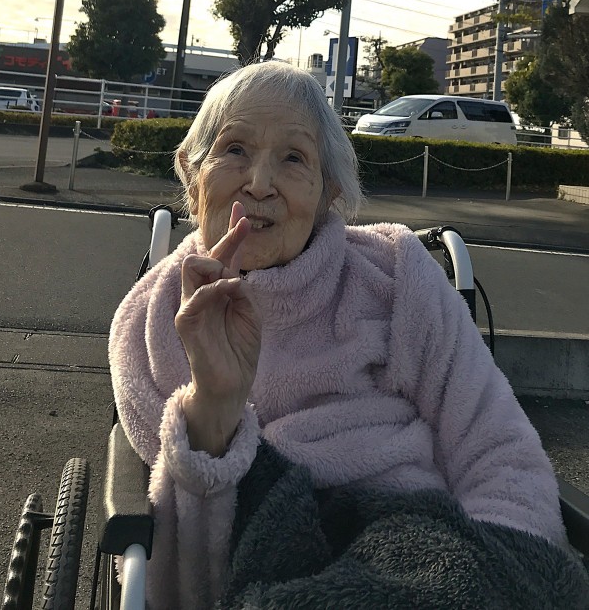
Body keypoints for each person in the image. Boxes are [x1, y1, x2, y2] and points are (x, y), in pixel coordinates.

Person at [109, 61, 588, 609]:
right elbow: (188, 577)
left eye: (293, 158)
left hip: (426, 544)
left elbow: (495, 444)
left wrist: (498, 574)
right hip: (257, 561)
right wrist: (213, 404)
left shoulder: (394, 275)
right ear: (191, 172)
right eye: (234, 149)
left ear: (327, 192)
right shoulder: (150, 322)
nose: (259, 183)